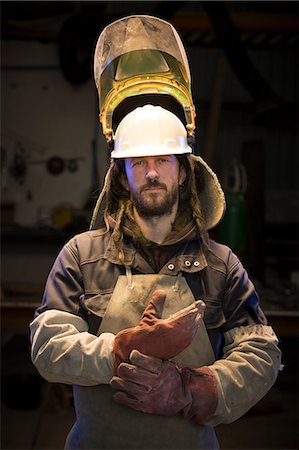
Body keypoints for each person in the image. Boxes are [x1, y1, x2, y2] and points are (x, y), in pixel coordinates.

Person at [30, 15, 282, 450]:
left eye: (163, 161)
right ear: (122, 177)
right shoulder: (81, 257)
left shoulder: (221, 266)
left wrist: (191, 390)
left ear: (183, 171)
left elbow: (262, 355)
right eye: (138, 162)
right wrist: (119, 349)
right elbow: (48, 346)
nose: (151, 173)